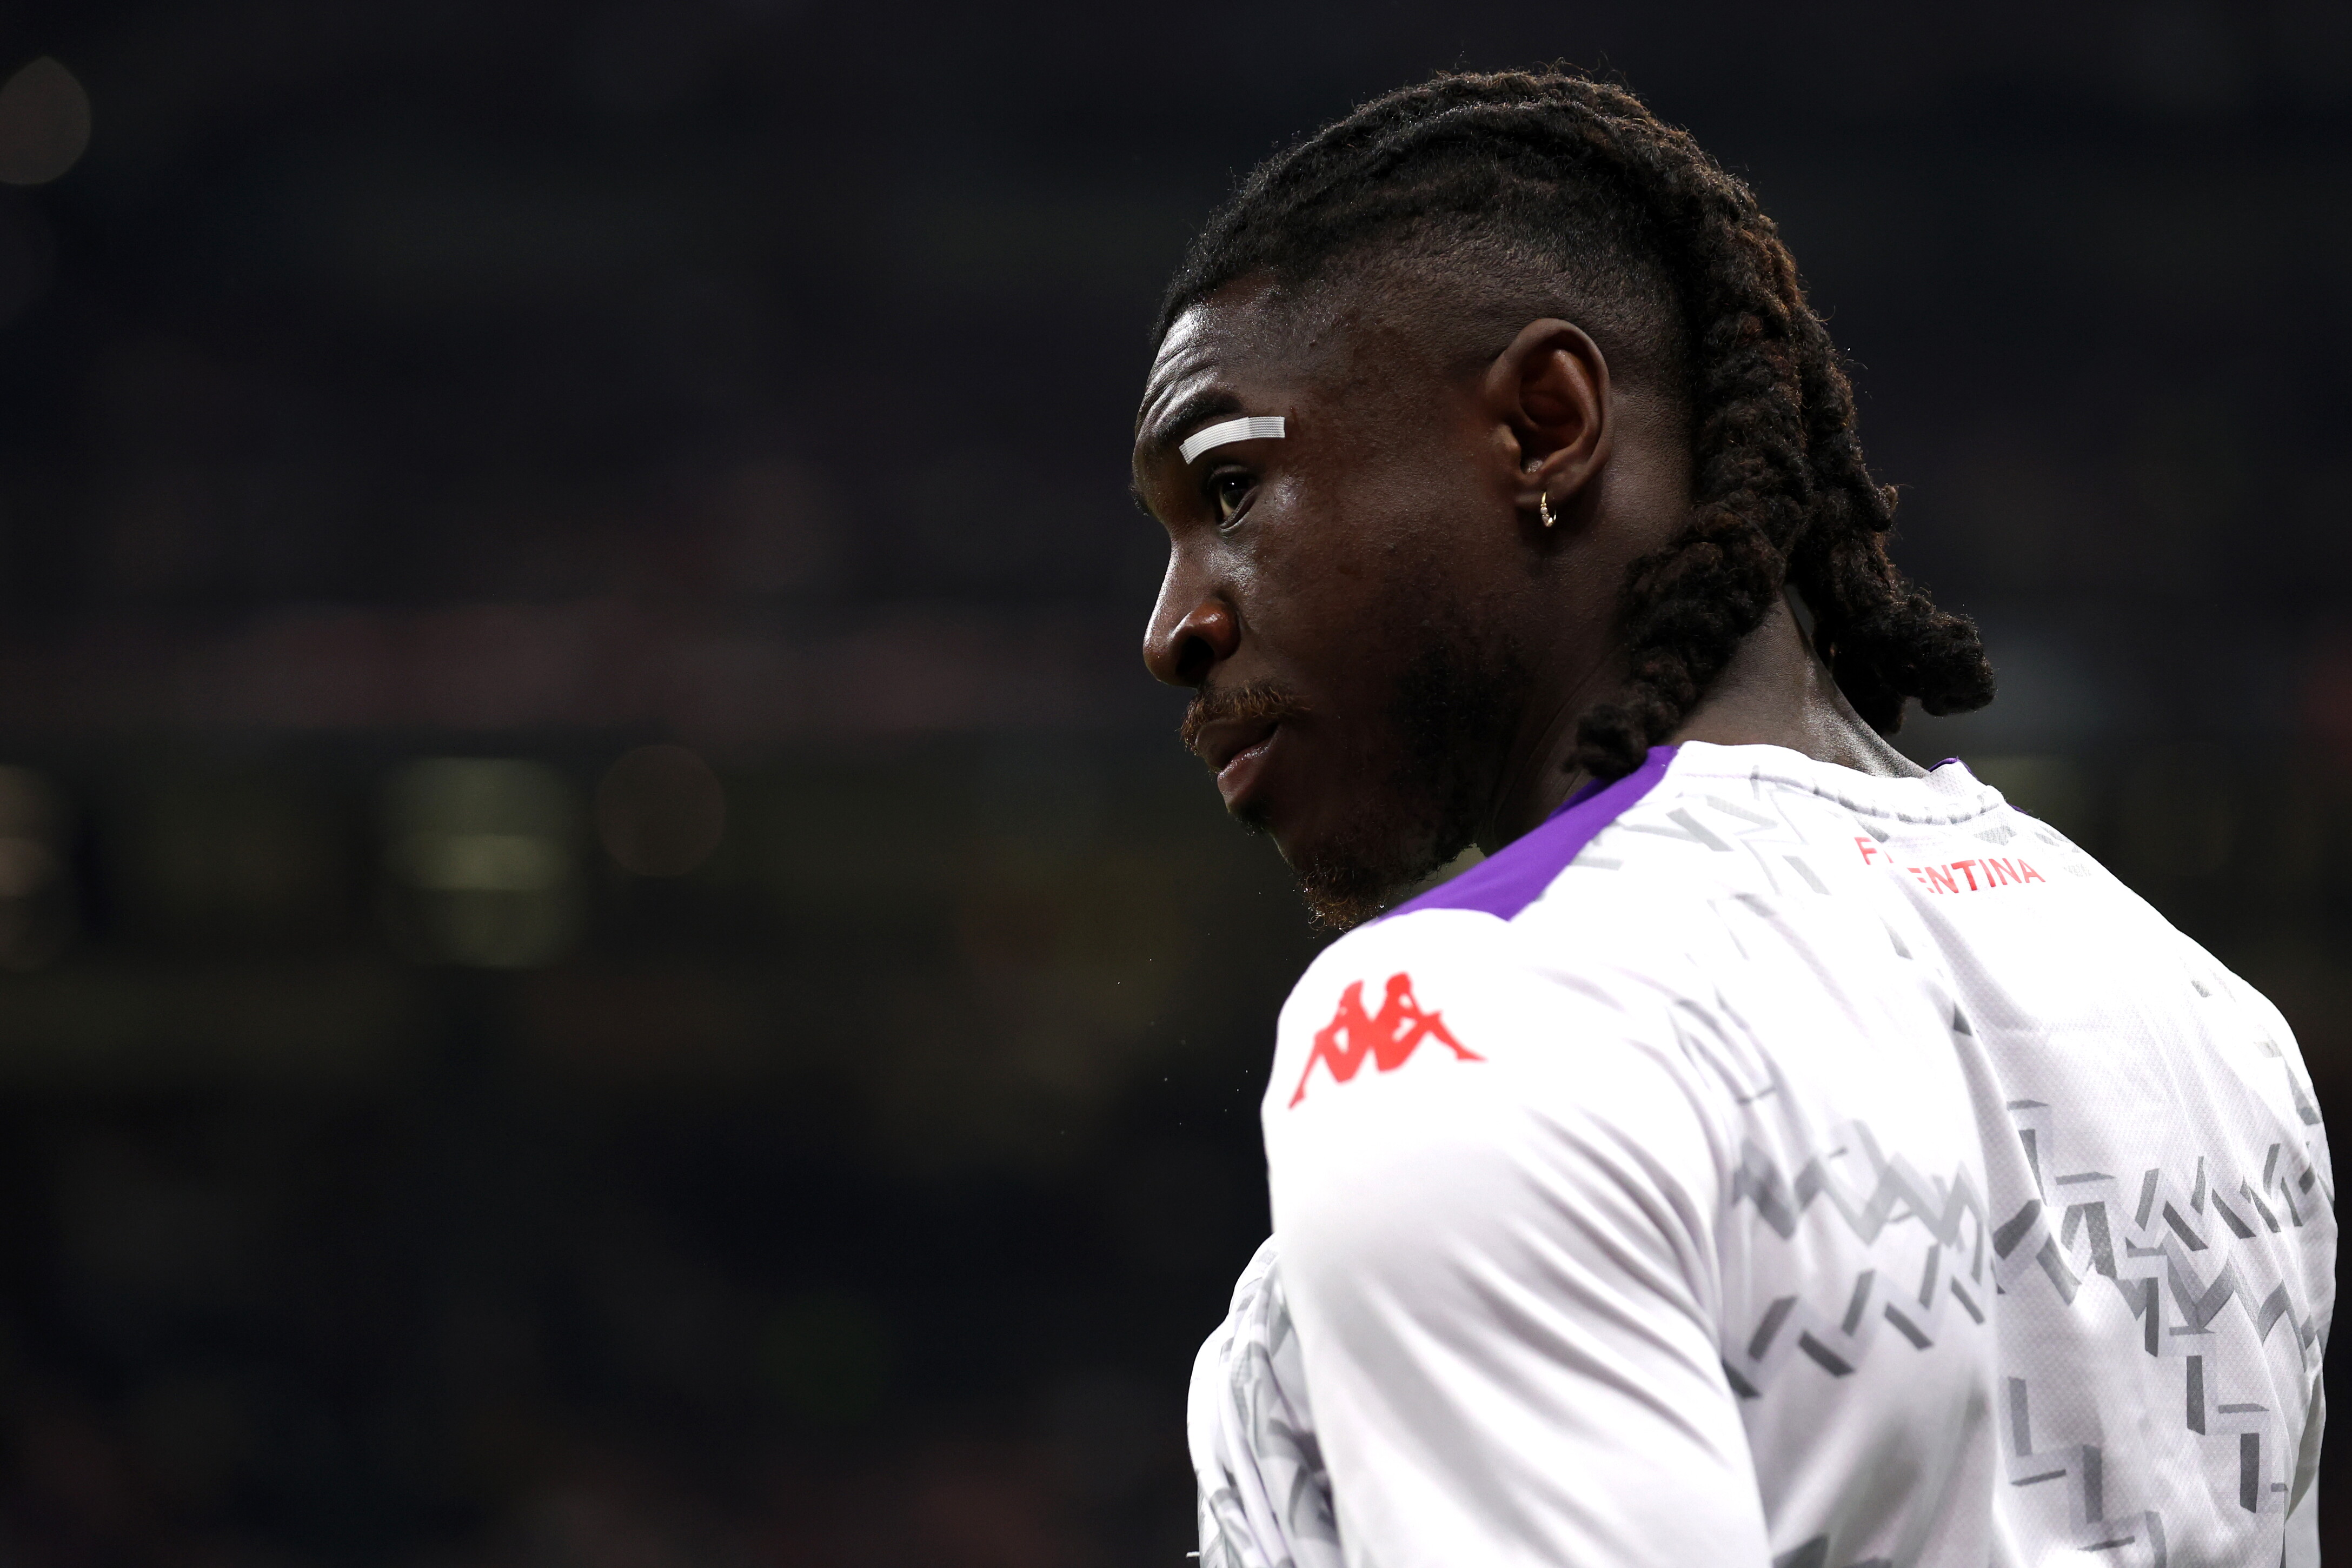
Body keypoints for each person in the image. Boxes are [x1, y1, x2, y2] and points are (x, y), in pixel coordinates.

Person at [1127, 68, 2334, 1568]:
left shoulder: (1476, 1008)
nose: (1171, 628)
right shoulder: (2208, 1019)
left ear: (1545, 425)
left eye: (1232, 492)